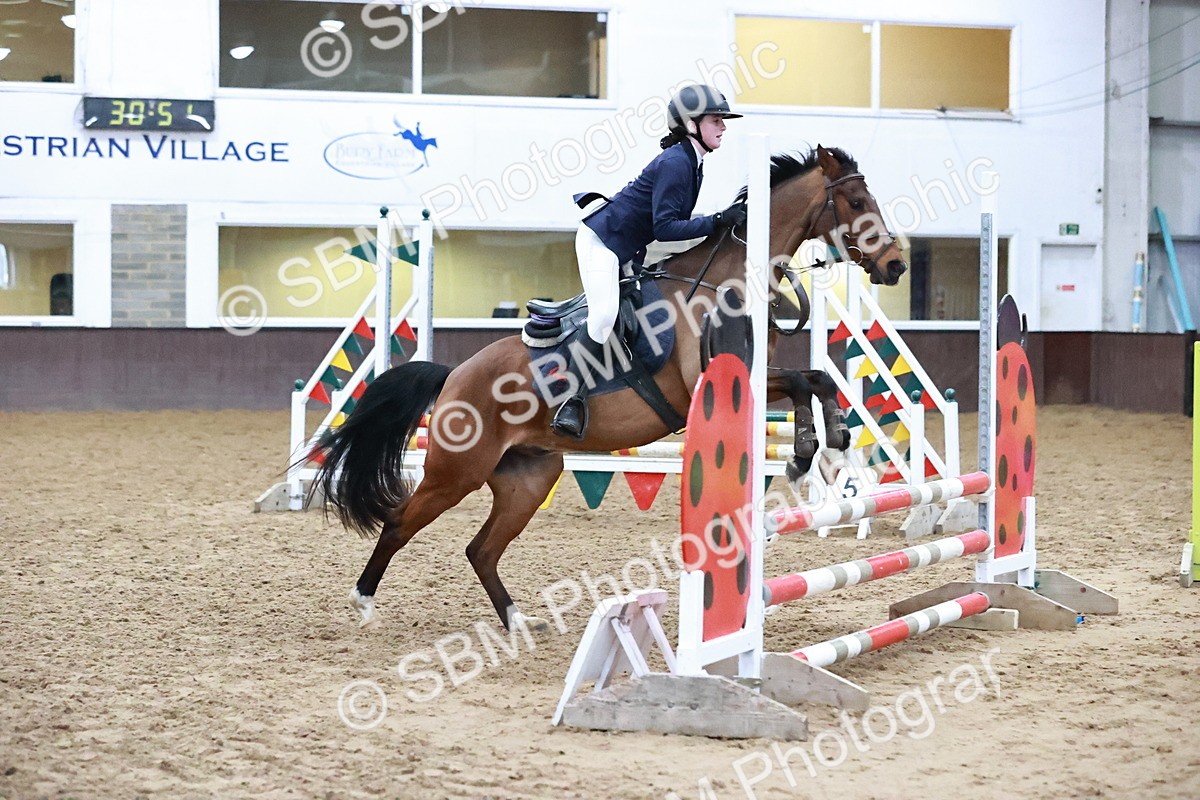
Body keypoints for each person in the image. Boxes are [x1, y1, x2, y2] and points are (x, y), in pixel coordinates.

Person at [551, 83, 748, 440]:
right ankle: (570, 399)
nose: (723, 126)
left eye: (723, 120)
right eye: (716, 120)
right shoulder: (677, 162)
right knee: (604, 315)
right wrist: (718, 220)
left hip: (627, 248)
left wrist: (718, 222)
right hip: (603, 242)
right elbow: (666, 228)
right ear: (691, 124)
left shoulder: (692, 162)